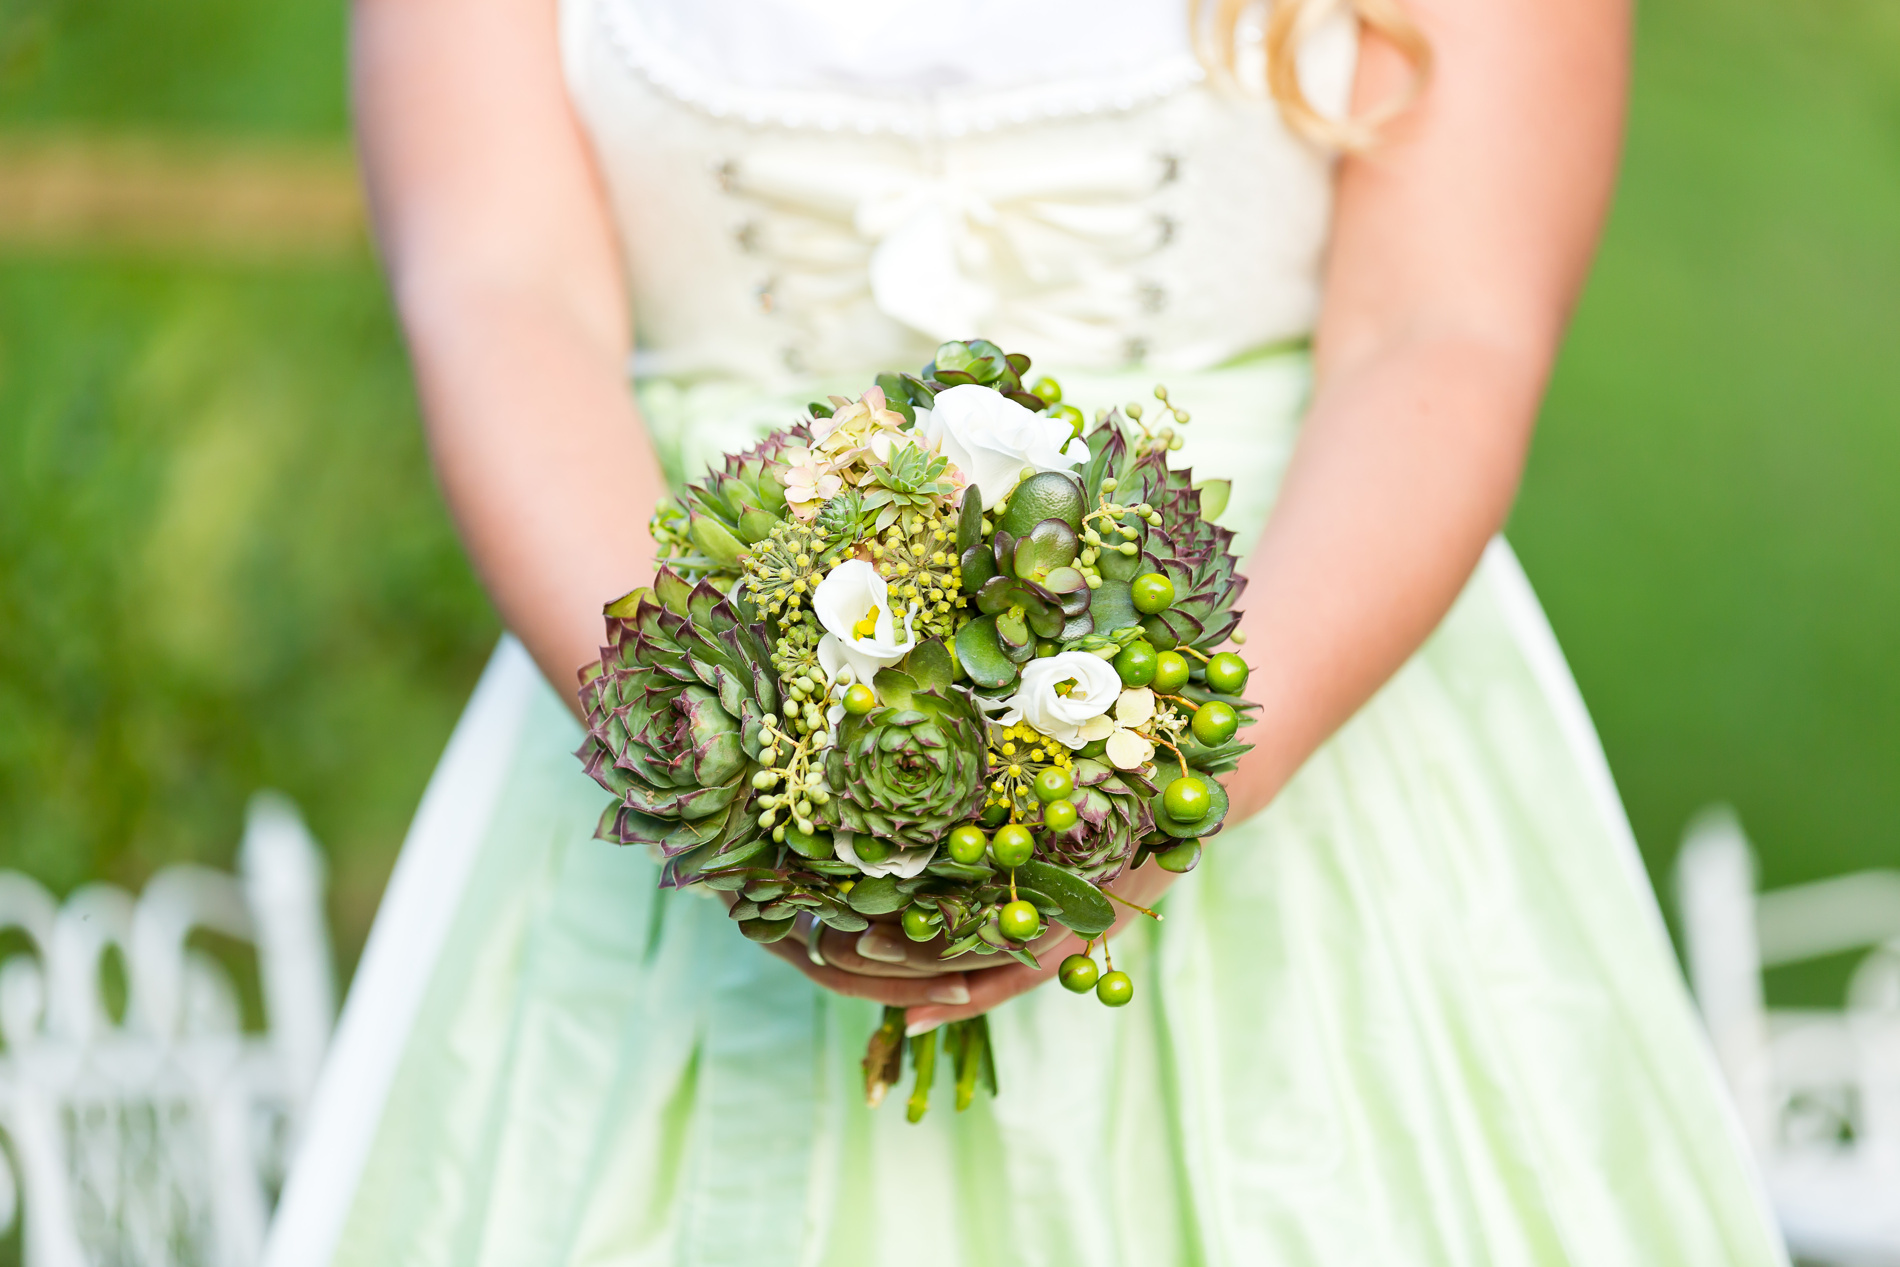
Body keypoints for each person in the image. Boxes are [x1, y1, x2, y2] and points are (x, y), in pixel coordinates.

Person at [266, 0, 1791, 1262]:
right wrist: (713, 761)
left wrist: (1177, 769)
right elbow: (496, 289)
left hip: (1303, 687)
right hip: (664, 640)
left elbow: (1441, 329)